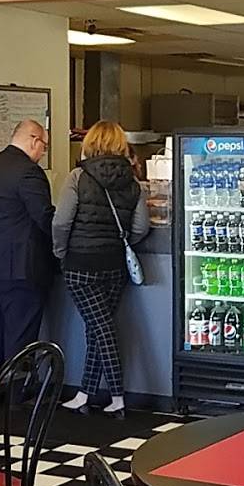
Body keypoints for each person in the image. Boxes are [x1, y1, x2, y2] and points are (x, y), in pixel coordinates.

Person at [53, 120, 149, 415]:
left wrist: (60, 252)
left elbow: (61, 222)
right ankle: (85, 393)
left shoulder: (78, 177)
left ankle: (118, 396)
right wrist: (120, 242)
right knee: (98, 327)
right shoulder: (132, 182)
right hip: (114, 265)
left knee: (102, 329)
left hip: (80, 264)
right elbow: (141, 227)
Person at [0, 119, 55, 369]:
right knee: (20, 338)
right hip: (20, 267)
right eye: (44, 147)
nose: (43, 153)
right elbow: (44, 218)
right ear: (34, 140)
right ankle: (17, 389)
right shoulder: (29, 172)